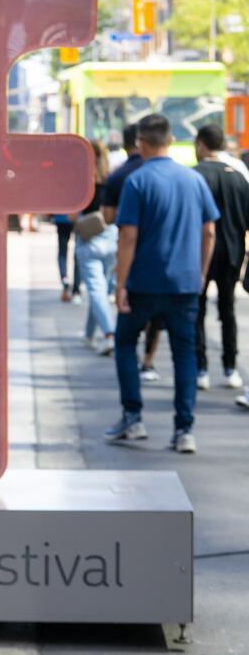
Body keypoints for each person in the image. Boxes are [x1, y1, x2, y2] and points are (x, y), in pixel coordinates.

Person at [107, 114, 219, 454]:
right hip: (184, 283)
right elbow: (209, 231)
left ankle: (133, 417)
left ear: (141, 143)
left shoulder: (137, 182)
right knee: (184, 353)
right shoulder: (194, 180)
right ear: (170, 141)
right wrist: (200, 272)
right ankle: (184, 430)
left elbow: (128, 235)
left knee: (126, 342)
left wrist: (120, 283)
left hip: (142, 281)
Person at [102, 123, 164, 381]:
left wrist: (121, 284)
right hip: (163, 256)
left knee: (127, 327)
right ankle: (149, 360)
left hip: (133, 258)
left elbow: (111, 221)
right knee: (159, 317)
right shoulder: (171, 174)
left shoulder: (120, 176)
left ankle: (131, 412)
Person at [192, 124, 249, 390]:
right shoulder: (238, 178)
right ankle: (230, 367)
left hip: (199, 253)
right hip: (232, 254)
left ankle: (201, 368)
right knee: (227, 311)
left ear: (201, 144)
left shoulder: (194, 176)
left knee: (197, 311)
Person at [74, 139, 118, 355]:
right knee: (100, 288)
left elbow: (73, 214)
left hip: (89, 239)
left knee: (96, 289)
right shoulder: (112, 178)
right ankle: (89, 333)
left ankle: (110, 334)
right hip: (111, 238)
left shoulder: (82, 181)